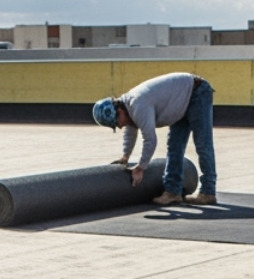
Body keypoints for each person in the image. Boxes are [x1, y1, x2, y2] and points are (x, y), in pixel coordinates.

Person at [91, 71, 216, 206]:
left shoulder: (138, 105)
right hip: (181, 99)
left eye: (117, 123)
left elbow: (150, 140)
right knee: (174, 146)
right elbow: (130, 131)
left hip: (196, 92)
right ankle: (173, 192)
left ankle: (208, 192)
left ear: (119, 111)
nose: (120, 127)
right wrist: (125, 156)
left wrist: (140, 168)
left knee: (203, 144)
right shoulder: (127, 106)